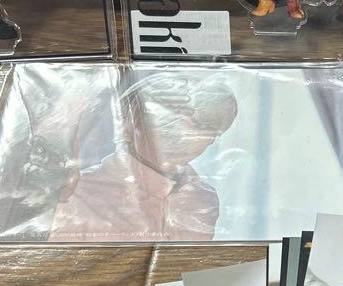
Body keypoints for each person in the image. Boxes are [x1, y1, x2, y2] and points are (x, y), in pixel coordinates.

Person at [47, 76, 239, 241]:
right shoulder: (75, 195)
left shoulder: (202, 199)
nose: (187, 135)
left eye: (205, 127)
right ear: (128, 126)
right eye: (167, 123)